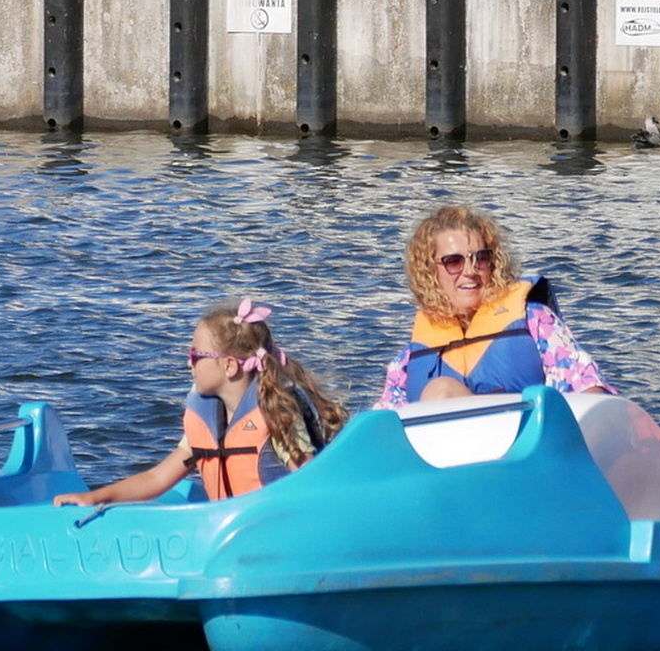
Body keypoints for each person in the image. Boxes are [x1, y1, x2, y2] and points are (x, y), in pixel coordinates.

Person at [55, 298, 346, 507]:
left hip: (272, 532)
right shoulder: (205, 418)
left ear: (230, 367)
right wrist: (95, 497)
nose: (189, 362)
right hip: (230, 534)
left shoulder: (277, 414)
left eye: (196, 355)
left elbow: (312, 485)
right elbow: (158, 477)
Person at [380, 204, 613, 407]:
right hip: (444, 452)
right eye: (454, 262)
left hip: (527, 446)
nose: (470, 272)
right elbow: (384, 423)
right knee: (440, 392)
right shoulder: (408, 360)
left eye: (480, 258)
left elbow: (589, 389)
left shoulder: (535, 321)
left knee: (442, 391)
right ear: (429, 272)